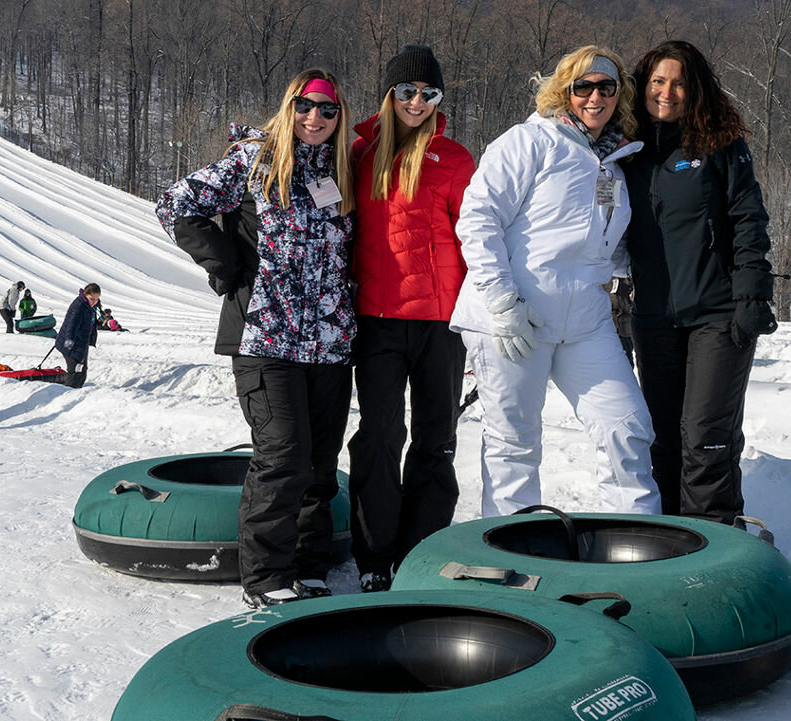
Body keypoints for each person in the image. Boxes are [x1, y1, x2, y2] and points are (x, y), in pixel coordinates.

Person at [156, 68, 356, 608]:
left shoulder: (344, 170)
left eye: (328, 109)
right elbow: (176, 202)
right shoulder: (254, 160)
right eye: (306, 106)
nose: (315, 117)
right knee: (282, 455)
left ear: (340, 118)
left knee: (319, 462)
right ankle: (266, 577)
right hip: (266, 337)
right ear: (290, 107)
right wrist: (222, 263)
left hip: (331, 344)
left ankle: (312, 566)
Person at [450, 45, 661, 518]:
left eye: (605, 86)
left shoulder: (616, 161)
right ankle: (510, 552)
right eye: (581, 86)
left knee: (626, 425)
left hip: (584, 321)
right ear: (563, 91)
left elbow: (608, 244)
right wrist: (503, 303)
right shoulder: (529, 142)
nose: (594, 96)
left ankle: (638, 539)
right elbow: (479, 218)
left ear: (619, 93)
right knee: (514, 442)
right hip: (513, 317)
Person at [623, 40, 777, 525]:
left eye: (679, 83)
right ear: (642, 86)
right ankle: (669, 535)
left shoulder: (720, 146)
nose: (667, 92)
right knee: (663, 434)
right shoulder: (627, 152)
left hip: (718, 312)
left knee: (706, 433)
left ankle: (715, 538)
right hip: (652, 315)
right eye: (657, 82)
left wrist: (752, 293)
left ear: (696, 91)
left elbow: (748, 218)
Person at [347, 45, 476, 592]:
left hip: (440, 323)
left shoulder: (456, 159)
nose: (417, 101)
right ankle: (375, 557)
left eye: (429, 93)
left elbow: (479, 239)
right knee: (378, 434)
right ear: (389, 94)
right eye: (406, 91)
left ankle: (420, 549)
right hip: (376, 317)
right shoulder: (357, 152)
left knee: (435, 438)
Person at [55, 283, 101, 388]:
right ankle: (69, 393)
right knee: (75, 371)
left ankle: (77, 390)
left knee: (82, 370)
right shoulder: (79, 306)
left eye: (96, 299)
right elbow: (72, 324)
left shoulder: (88, 305)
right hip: (72, 344)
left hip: (81, 343)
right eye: (91, 298)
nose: (94, 302)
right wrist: (69, 341)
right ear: (85, 294)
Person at [604, 276, 634, 366]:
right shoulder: (600, 271)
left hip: (624, 328)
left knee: (626, 363)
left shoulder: (625, 269)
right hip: (607, 329)